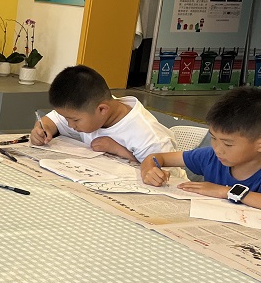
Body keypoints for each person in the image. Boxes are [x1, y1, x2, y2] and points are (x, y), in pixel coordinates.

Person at [140, 87, 261, 208]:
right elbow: (155, 157)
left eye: (228, 144)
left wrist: (225, 191)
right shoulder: (210, 157)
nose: (217, 149)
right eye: (213, 138)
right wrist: (149, 170)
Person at [30, 65, 175, 163]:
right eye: (67, 119)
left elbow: (163, 174)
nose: (70, 125)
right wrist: (42, 129)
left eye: (75, 120)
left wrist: (117, 149)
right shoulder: (89, 110)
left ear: (102, 110)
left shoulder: (148, 136)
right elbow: (51, 121)